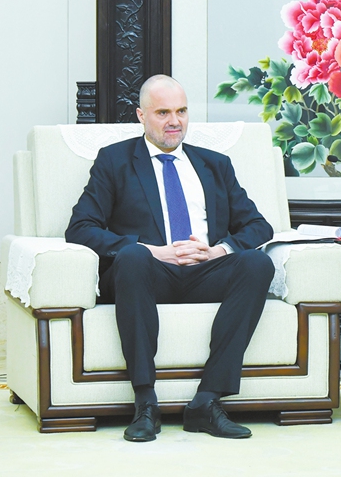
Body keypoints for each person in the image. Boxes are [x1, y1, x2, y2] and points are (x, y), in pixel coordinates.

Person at [66, 74, 275, 442]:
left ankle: (207, 401)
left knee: (257, 263)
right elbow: (80, 228)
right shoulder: (115, 161)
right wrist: (151, 250)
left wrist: (217, 251)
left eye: (181, 111)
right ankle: (145, 403)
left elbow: (259, 226)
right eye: (163, 113)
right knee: (132, 258)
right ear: (141, 116)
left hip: (204, 271)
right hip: (146, 274)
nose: (174, 121)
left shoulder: (214, 164)